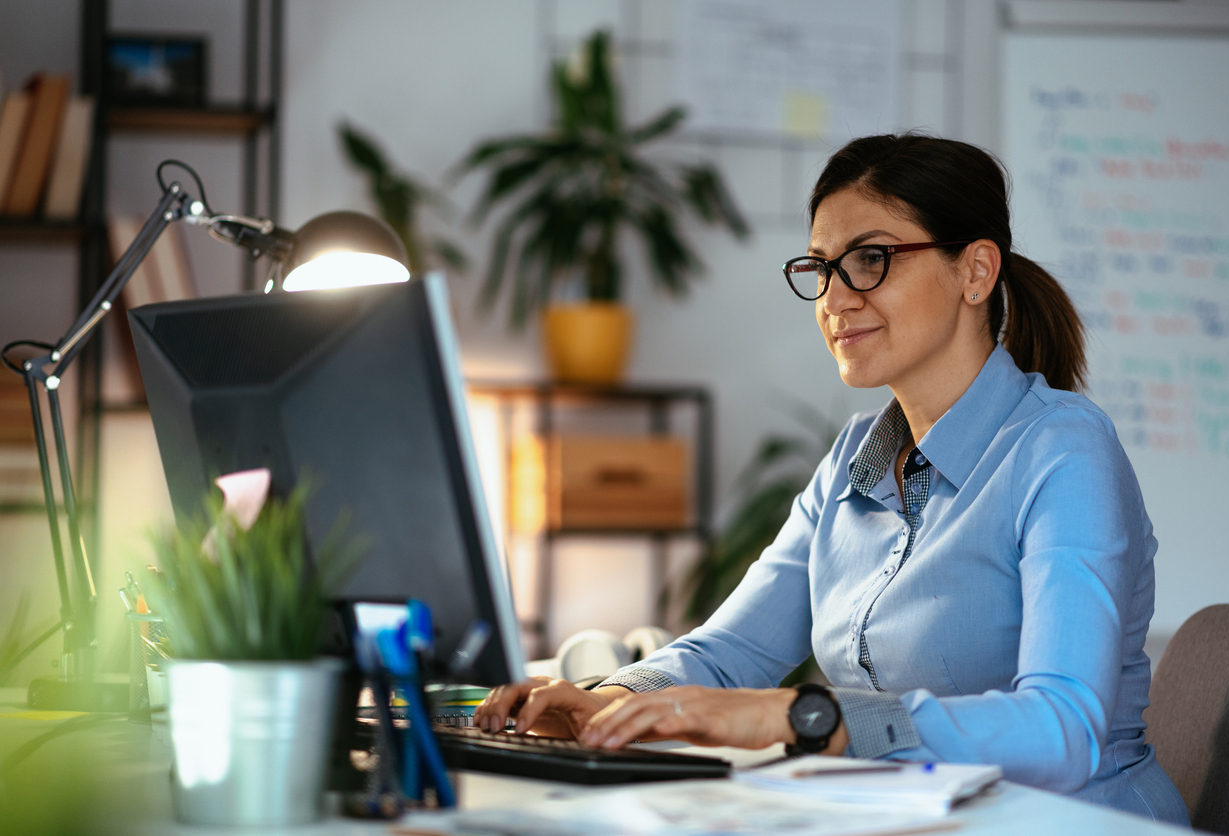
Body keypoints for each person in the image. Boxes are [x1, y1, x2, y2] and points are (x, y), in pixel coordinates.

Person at [475, 134, 1190, 825]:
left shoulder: (1062, 450)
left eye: (871, 259)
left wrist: (798, 715)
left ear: (976, 272)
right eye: (822, 268)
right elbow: (728, 652)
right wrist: (614, 696)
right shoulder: (855, 459)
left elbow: (1060, 731)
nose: (836, 299)